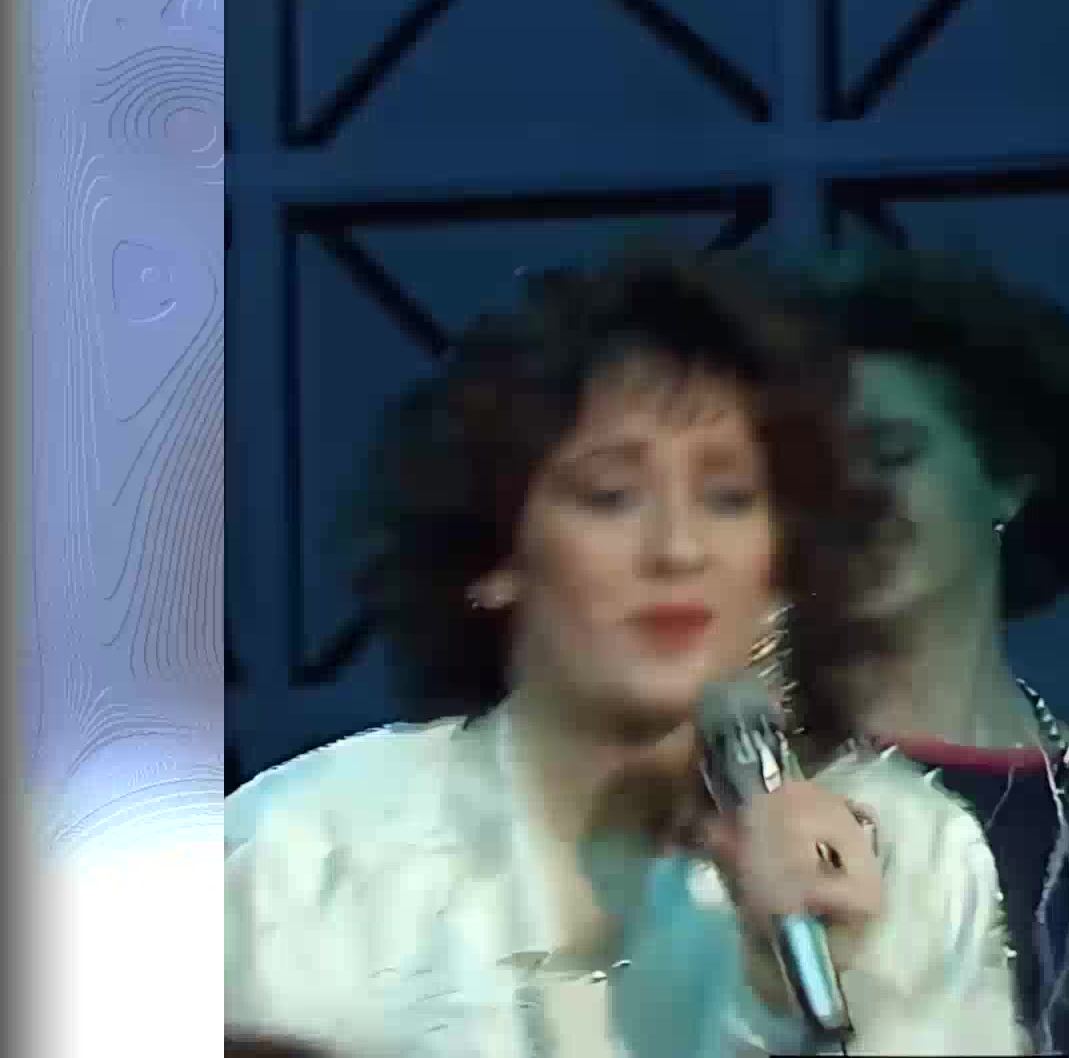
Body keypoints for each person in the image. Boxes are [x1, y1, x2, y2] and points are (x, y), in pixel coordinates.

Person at [224, 251, 1026, 1056]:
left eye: (729, 499)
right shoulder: (296, 857)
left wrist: (829, 996)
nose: (679, 549)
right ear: (495, 553)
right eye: (611, 497)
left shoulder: (914, 860)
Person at [797, 250, 1069, 1055]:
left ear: (1009, 477)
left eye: (890, 453)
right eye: (815, 470)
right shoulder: (746, 803)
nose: (850, 495)